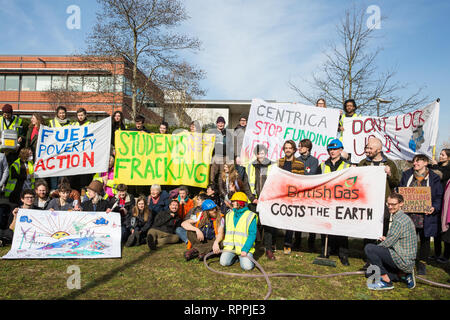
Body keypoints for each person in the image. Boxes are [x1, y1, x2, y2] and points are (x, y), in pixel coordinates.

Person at [358, 137, 400, 269]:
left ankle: (381, 254)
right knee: (368, 229)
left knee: (383, 229)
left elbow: (396, 183)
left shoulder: (390, 163)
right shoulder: (363, 163)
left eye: (370, 148)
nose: (367, 150)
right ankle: (368, 256)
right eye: (367, 148)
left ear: (379, 149)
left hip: (383, 202)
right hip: (368, 201)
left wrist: (389, 174)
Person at [399, 154, 443, 275]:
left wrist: (434, 208)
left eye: (418, 161)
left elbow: (439, 196)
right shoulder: (407, 175)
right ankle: (407, 261)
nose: (415, 164)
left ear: (425, 163)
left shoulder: (434, 178)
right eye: (414, 161)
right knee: (408, 238)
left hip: (426, 215)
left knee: (425, 239)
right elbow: (400, 190)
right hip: (409, 214)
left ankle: (422, 263)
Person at [365, 193, 417, 290]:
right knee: (369, 273)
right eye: (388, 204)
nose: (390, 207)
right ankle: (403, 275)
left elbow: (387, 244)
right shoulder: (402, 217)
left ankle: (386, 281)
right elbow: (396, 238)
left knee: (369, 248)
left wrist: (374, 253)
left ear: (401, 204)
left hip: (403, 259)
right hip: (405, 257)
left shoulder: (398, 221)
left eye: (393, 204)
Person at [317, 139, 352, 266]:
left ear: (341, 150)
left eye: (335, 149)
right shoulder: (322, 165)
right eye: (330, 149)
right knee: (325, 227)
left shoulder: (348, 166)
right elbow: (315, 180)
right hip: (325, 200)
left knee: (342, 229)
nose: (332, 151)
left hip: (341, 201)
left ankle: (343, 254)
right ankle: (325, 251)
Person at [247, 144, 276, 260]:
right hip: (254, 200)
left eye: (263, 153)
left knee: (268, 226)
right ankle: (252, 247)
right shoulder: (250, 166)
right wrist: (252, 198)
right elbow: (246, 184)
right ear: (256, 154)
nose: (261, 156)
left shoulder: (273, 165)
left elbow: (275, 183)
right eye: (259, 153)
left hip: (267, 201)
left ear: (266, 153)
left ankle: (268, 249)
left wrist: (268, 198)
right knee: (253, 225)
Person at [278, 140, 305, 255]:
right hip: (280, 194)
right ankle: (273, 243)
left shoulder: (299, 164)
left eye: (290, 148)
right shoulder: (279, 162)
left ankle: (287, 244)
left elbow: (301, 181)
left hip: (293, 196)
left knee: (290, 220)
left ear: (294, 150)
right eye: (286, 148)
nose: (288, 150)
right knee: (276, 218)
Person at [220, 192, 258, 271]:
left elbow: (252, 235)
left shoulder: (250, 216)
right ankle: (236, 258)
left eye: (234, 201)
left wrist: (245, 249)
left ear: (240, 203)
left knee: (247, 267)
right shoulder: (229, 214)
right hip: (231, 248)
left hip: (244, 249)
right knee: (223, 262)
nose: (232, 203)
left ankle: (244, 258)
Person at [295, 139, 319, 252]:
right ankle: (297, 241)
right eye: (298, 146)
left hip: (310, 194)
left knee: (311, 219)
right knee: (298, 217)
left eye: (301, 146)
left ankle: (311, 242)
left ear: (307, 148)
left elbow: (312, 175)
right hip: (298, 193)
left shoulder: (314, 161)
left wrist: (303, 174)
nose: (299, 148)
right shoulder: (296, 160)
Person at [430, 148, 450, 262]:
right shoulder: (437, 166)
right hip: (436, 199)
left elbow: (442, 176)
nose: (440, 156)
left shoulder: (448, 168)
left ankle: (446, 255)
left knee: (446, 231)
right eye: (440, 154)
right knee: (436, 228)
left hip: (446, 202)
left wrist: (435, 166)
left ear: (448, 157)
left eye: (443, 155)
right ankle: (437, 253)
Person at [209, 116, 233, 184]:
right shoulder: (212, 133)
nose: (220, 124)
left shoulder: (228, 133)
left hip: (224, 156)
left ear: (224, 124)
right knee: (212, 174)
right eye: (219, 123)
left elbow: (231, 146)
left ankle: (221, 191)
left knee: (222, 175)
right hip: (215, 156)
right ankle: (212, 189)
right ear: (216, 124)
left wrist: (231, 158)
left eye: (222, 123)